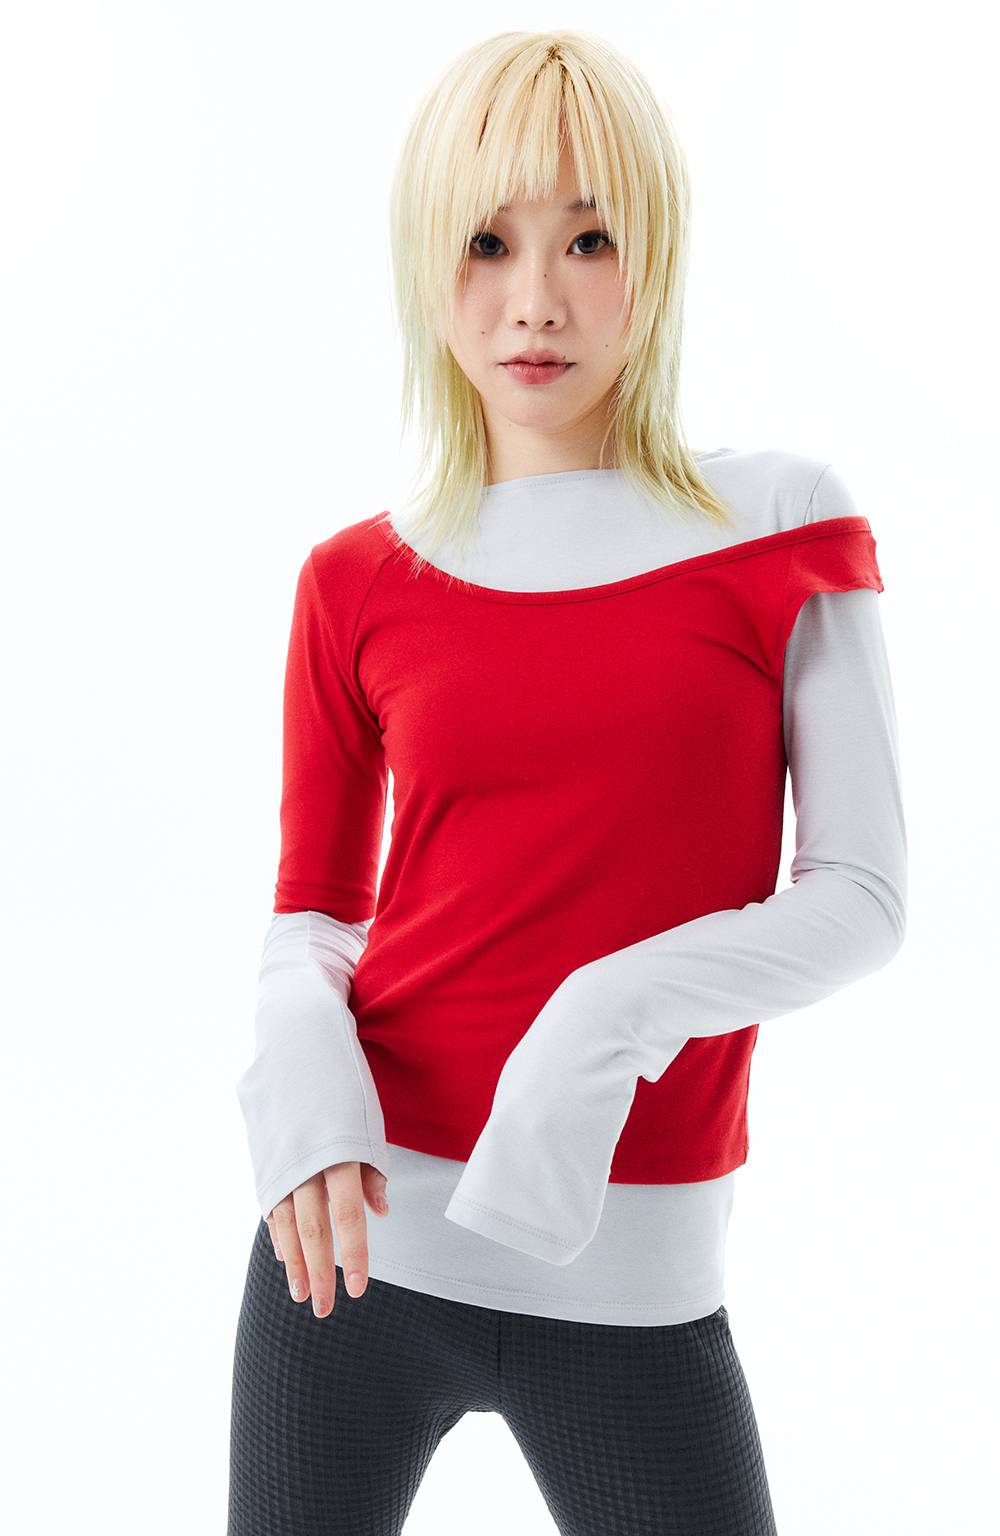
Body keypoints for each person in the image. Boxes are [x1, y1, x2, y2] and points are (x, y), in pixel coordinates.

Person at [228, 28, 907, 1536]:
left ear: (654, 258)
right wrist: (301, 1068)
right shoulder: (354, 578)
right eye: (486, 243)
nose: (534, 298)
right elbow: (315, 915)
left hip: (631, 1277)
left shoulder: (781, 529)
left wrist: (604, 1017)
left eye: (588, 239)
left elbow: (862, 897)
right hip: (348, 1253)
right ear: (427, 264)